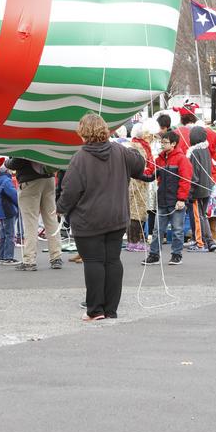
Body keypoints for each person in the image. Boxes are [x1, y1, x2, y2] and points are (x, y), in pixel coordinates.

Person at [57, 113, 144, 320]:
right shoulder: (120, 151)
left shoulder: (80, 158)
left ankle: (95, 310)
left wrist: (60, 207)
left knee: (94, 262)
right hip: (116, 217)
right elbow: (140, 165)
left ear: (83, 133)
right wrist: (133, 150)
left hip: (89, 220)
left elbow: (70, 190)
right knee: (113, 261)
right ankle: (110, 309)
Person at [142, 129, 193, 267]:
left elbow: (185, 180)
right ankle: (154, 255)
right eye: (161, 142)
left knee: (177, 230)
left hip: (176, 200)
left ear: (174, 143)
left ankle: (176, 255)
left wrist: (182, 199)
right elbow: (150, 173)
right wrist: (139, 172)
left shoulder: (182, 159)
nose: (162, 145)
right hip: (162, 200)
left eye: (165, 143)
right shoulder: (159, 159)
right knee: (157, 230)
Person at [5, 157, 62, 271]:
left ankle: (29, 261)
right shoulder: (45, 139)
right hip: (48, 178)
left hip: (29, 180)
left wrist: (7, 162)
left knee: (30, 222)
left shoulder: (23, 140)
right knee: (51, 219)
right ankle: (56, 257)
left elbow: (17, 162)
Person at [186, 125, 216, 252]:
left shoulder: (194, 152)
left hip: (198, 190)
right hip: (207, 187)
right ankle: (209, 241)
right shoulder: (206, 150)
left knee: (198, 217)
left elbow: (194, 175)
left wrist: (190, 193)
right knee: (203, 216)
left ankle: (200, 243)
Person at [125, 123, 155, 251]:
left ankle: (132, 241)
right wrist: (149, 175)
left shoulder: (136, 145)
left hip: (135, 182)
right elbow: (140, 167)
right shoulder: (139, 147)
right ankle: (134, 242)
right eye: (148, 134)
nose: (150, 136)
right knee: (136, 212)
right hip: (137, 183)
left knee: (133, 211)